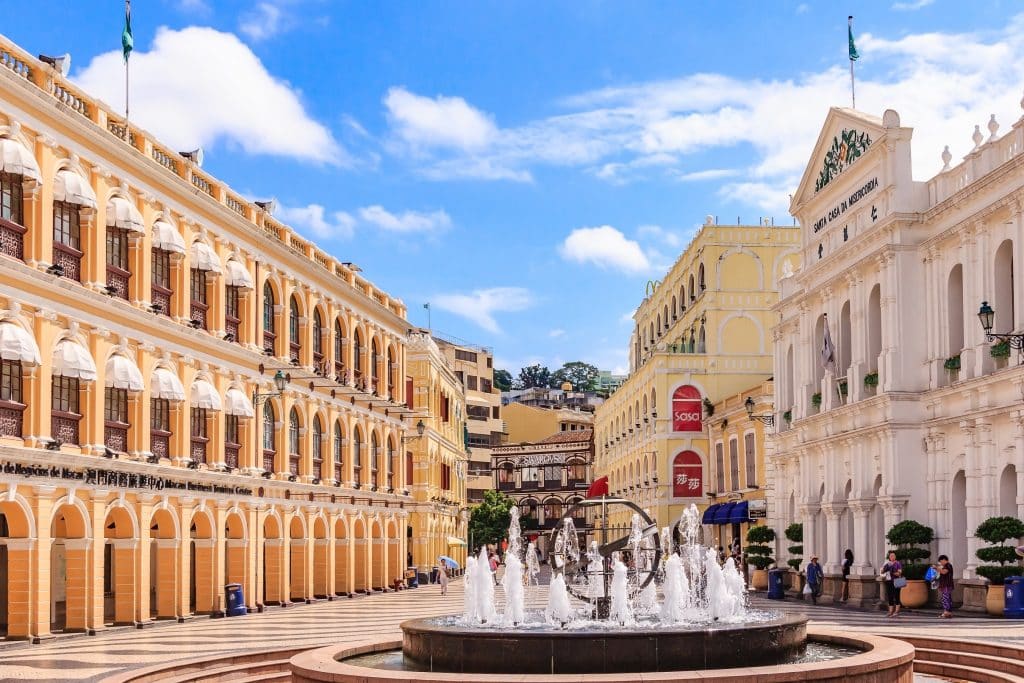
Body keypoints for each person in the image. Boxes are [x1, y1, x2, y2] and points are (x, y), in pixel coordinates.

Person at [881, 550, 903, 617]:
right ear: (889, 557)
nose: (892, 557)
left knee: (897, 596)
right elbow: (882, 572)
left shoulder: (898, 563)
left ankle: (896, 612)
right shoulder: (887, 564)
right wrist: (884, 569)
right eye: (891, 556)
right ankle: (890, 612)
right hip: (889, 581)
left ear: (895, 556)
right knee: (890, 596)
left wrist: (892, 572)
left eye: (893, 555)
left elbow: (899, 573)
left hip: (897, 581)